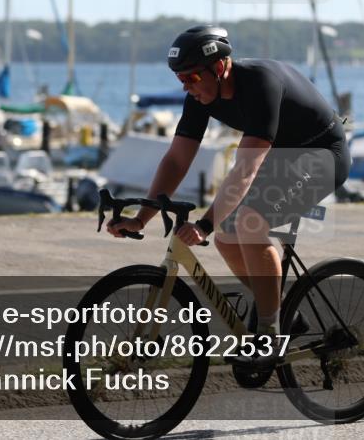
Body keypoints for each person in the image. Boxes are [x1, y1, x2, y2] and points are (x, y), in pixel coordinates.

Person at [106, 25, 351, 345]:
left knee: (250, 224)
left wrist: (205, 223)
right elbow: (177, 160)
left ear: (219, 67)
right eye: (180, 80)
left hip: (322, 154)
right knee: (227, 237)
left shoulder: (260, 84)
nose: (186, 87)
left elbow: (245, 168)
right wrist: (142, 216)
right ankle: (282, 312)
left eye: (192, 77)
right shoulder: (200, 96)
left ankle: (270, 333)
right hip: (281, 157)